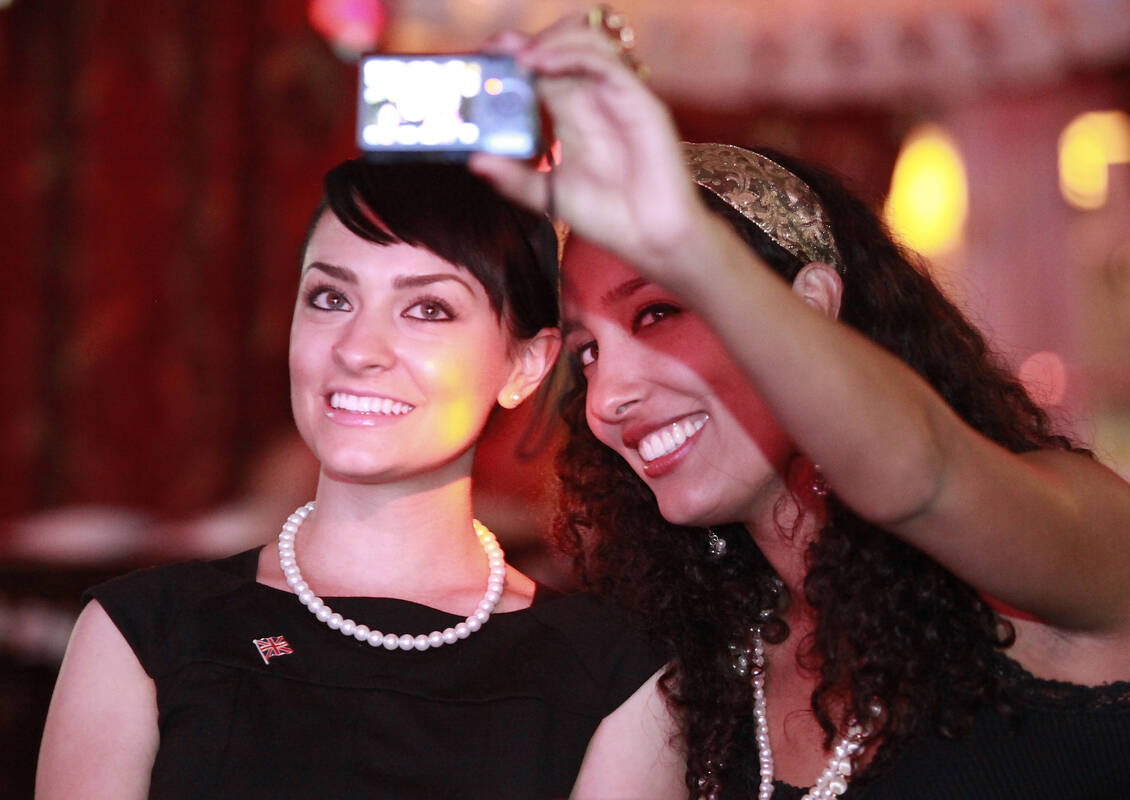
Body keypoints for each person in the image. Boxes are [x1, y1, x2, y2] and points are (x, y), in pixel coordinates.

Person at [469, 12, 1130, 799]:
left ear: (812, 303)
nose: (609, 398)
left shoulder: (1082, 542)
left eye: (657, 312)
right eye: (588, 353)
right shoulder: (704, 669)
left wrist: (688, 246)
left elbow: (923, 477)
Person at [36, 158, 684, 799]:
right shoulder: (143, 631)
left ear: (526, 365)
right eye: (330, 298)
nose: (357, 348)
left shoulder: (613, 675)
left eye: (427, 309)